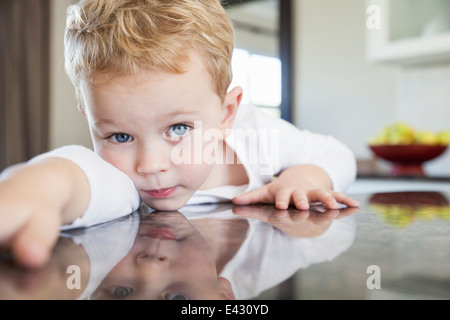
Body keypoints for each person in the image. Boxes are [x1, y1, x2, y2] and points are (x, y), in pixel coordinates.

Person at [0, 0, 359, 269]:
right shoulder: (122, 177)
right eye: (120, 136)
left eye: (178, 128)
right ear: (92, 120)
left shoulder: (257, 137)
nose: (151, 166)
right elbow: (78, 175)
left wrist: (304, 177)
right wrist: (37, 186)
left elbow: (337, 153)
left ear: (226, 114)